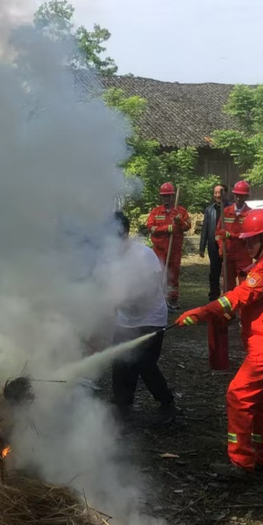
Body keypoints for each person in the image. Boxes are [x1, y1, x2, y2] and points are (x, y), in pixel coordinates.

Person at [175, 209, 263, 476]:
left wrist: (200, 313)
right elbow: (247, 299)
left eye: (252, 240)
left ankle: (241, 463)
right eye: (245, 240)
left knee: (238, 396)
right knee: (260, 401)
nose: (246, 244)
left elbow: (236, 298)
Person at [110, 211, 178, 425]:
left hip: (151, 317)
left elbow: (152, 290)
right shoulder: (109, 255)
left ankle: (166, 402)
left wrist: (124, 300)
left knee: (143, 362)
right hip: (126, 319)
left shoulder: (143, 255)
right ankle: (122, 407)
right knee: (119, 361)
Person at [145, 182, 191, 310]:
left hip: (174, 250)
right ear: (161, 197)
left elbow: (188, 227)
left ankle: (172, 299)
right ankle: (158, 298)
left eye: (168, 196)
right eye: (164, 196)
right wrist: (167, 228)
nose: (166, 199)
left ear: (172, 196)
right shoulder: (156, 211)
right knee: (158, 274)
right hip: (159, 250)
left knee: (173, 276)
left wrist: (179, 221)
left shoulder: (180, 211)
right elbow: (150, 227)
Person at [217, 180, 253, 291]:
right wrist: (220, 246)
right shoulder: (226, 212)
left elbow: (250, 235)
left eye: (241, 196)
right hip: (228, 254)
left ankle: (244, 308)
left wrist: (231, 235)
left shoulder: (250, 214)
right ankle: (229, 308)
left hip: (244, 256)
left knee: (245, 285)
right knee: (227, 286)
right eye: (237, 195)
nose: (238, 198)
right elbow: (218, 232)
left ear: (246, 197)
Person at [199, 183, 228, 301]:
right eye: (215, 193)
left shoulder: (229, 209)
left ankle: (227, 295)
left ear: (225, 193)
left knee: (227, 271)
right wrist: (202, 247)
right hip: (213, 245)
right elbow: (205, 229)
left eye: (220, 193)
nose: (217, 195)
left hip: (227, 245)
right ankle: (214, 295)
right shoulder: (209, 210)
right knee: (214, 271)